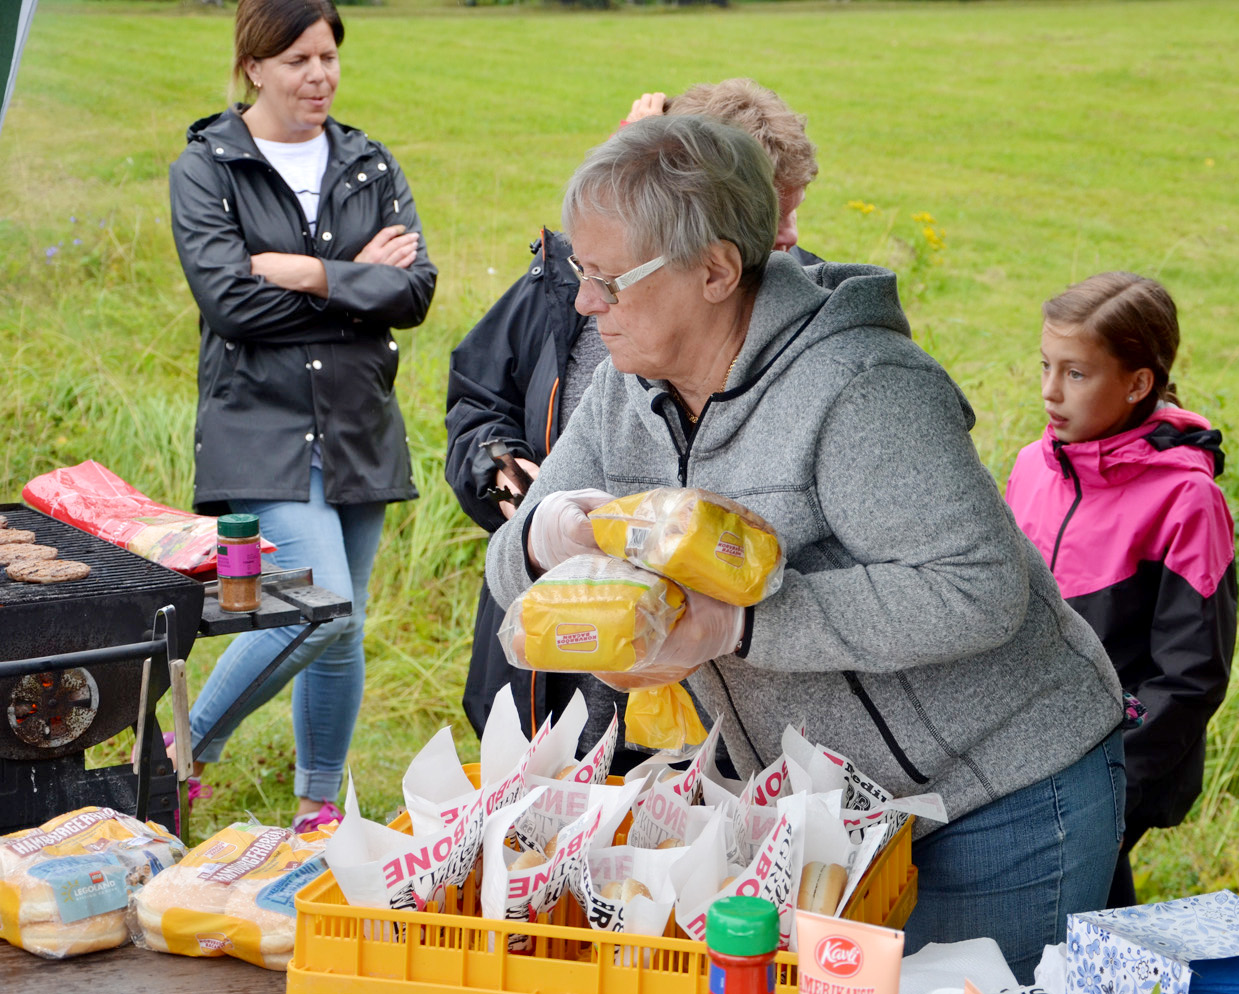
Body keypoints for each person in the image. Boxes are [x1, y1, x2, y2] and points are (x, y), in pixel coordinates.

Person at [484, 114, 1126, 981]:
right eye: (578, 272)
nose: (583, 304)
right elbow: (508, 569)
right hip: (833, 811)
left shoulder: (862, 388)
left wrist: (735, 628)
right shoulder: (623, 389)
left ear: (716, 269)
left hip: (998, 795)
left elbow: (975, 587)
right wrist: (546, 537)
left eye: (608, 280)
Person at [446, 79, 820, 751]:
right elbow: (476, 407)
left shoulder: (806, 320)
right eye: (768, 207)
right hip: (560, 690)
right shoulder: (568, 287)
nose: (786, 233)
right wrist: (515, 496)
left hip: (716, 720)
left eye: (792, 208)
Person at [167, 0, 436, 832]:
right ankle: (182, 747)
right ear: (254, 66)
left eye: (328, 57)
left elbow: (416, 292)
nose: (318, 76)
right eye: (297, 61)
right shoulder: (209, 165)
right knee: (321, 608)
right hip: (262, 422)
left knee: (341, 626)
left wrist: (312, 274)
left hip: (358, 422)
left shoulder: (368, 161)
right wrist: (358, 282)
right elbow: (232, 305)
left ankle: (318, 804)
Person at [1004, 273, 1236, 907]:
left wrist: (1106, 784)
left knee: (1069, 915)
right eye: (1046, 366)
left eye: (1077, 374)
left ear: (1138, 383)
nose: (1051, 391)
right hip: (1014, 761)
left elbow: (1191, 677)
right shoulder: (1032, 466)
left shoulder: (1188, 500)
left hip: (1112, 772)